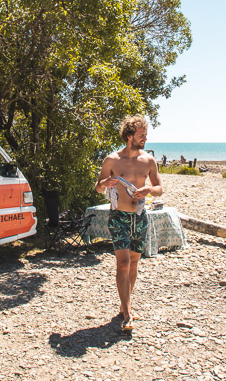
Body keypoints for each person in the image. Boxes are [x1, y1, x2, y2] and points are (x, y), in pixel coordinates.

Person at [94, 114, 163, 332]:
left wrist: (149, 190)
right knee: (122, 263)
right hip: (119, 217)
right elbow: (98, 187)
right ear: (129, 135)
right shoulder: (112, 160)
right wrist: (105, 183)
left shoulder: (148, 161)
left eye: (146, 135)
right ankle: (127, 314)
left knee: (134, 263)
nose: (145, 138)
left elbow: (160, 188)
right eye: (141, 135)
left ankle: (125, 305)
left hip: (140, 217)